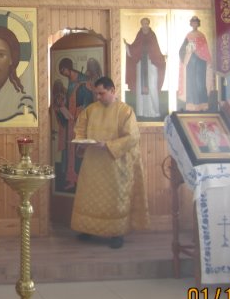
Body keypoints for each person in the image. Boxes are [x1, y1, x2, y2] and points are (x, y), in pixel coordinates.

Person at [71, 76, 149, 248]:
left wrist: (108, 145)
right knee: (89, 196)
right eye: (96, 94)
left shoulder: (125, 111)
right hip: (93, 162)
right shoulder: (90, 110)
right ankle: (87, 229)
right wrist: (81, 141)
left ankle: (116, 233)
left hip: (115, 163)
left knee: (115, 198)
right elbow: (80, 129)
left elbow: (132, 136)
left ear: (112, 90)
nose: (98, 97)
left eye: (101, 93)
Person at [56, 57, 96, 190]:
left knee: (79, 150)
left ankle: (82, 182)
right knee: (70, 152)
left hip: (80, 122)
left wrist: (81, 110)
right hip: (71, 122)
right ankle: (71, 180)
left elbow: (88, 101)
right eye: (61, 72)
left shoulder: (83, 81)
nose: (63, 73)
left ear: (68, 67)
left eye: (63, 70)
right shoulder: (71, 82)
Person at [124, 18, 166, 118]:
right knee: (140, 87)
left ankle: (155, 111)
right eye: (143, 23)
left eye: (146, 23)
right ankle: (142, 111)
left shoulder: (152, 35)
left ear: (149, 24)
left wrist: (161, 57)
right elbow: (135, 47)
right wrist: (127, 46)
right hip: (141, 63)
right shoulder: (139, 35)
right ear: (141, 24)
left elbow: (156, 49)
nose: (145, 25)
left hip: (151, 63)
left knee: (152, 86)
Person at [177, 15, 214, 112]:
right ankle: (191, 105)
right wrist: (188, 49)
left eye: (196, 22)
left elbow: (205, 49)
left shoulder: (201, 36)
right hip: (190, 62)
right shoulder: (188, 36)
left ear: (198, 24)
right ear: (191, 24)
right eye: (193, 22)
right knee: (191, 83)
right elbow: (182, 50)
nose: (194, 24)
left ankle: (202, 104)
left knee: (200, 83)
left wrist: (198, 50)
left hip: (200, 62)